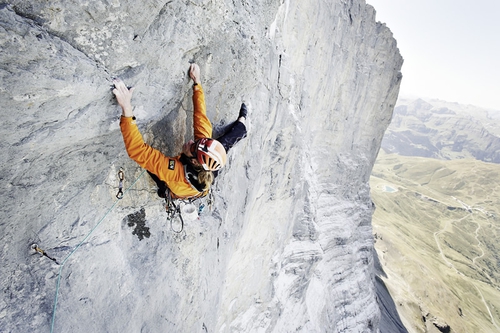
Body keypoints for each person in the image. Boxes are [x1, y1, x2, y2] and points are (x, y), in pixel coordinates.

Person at [113, 63, 247, 199]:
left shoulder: (173, 173)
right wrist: (197, 83)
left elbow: (138, 151)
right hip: (202, 181)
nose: (191, 141)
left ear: (194, 161)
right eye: (197, 142)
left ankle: (241, 128)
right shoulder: (203, 152)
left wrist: (126, 108)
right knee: (225, 144)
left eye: (193, 146)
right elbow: (200, 117)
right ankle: (242, 127)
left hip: (181, 189)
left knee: (156, 176)